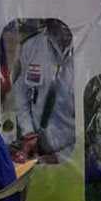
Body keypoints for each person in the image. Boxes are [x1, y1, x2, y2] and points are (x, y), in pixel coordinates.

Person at [12, 19, 75, 162]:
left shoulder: (87, 50)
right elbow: (20, 93)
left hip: (70, 153)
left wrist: (60, 157)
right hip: (35, 147)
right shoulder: (31, 47)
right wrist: (28, 132)